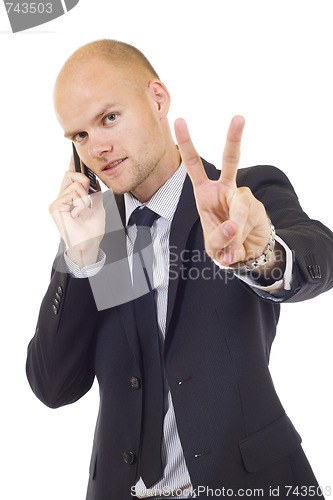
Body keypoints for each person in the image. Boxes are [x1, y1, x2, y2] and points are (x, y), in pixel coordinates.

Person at [26, 39, 333, 500]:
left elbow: (321, 256)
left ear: (157, 98)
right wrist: (78, 262)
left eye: (110, 117)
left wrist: (261, 253)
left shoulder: (240, 198)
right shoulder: (97, 233)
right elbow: (55, 387)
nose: (98, 148)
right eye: (80, 136)